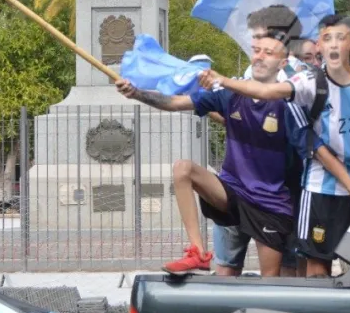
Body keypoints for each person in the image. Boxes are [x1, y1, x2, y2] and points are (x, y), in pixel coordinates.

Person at [196, 14, 350, 277]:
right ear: (319, 45)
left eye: (340, 38)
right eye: (327, 38)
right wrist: (222, 81)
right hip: (320, 188)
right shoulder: (307, 83)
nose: (333, 45)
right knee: (317, 271)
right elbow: (266, 92)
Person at [115, 24, 307, 277]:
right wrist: (137, 94)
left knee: (271, 284)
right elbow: (174, 102)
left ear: (283, 63)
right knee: (183, 168)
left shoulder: (290, 103)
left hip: (269, 203)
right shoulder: (229, 95)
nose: (259, 56)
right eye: (256, 50)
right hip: (232, 189)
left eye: (268, 53)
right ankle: (197, 252)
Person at [214, 5, 310, 277]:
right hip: (236, 182)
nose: (254, 44)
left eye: (258, 35)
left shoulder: (298, 79)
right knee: (227, 266)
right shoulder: (249, 71)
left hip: (280, 193)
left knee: (283, 273)